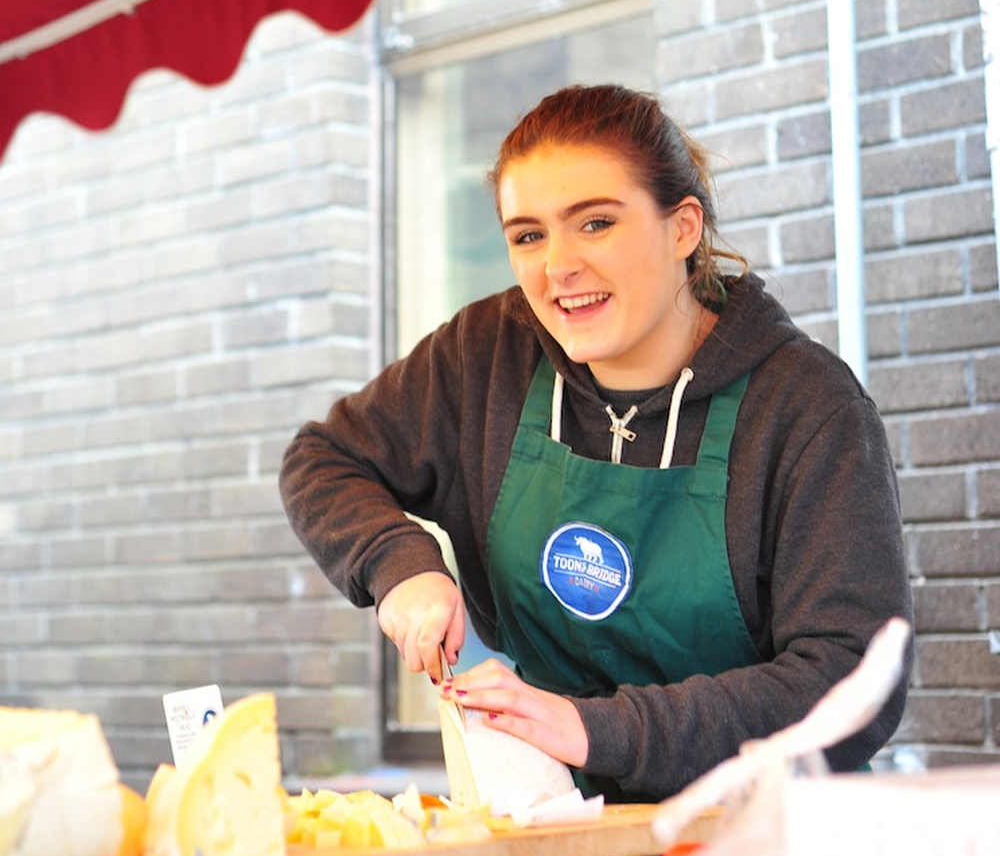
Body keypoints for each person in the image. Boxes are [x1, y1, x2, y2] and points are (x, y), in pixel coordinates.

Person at [280, 84, 912, 801]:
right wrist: (398, 564)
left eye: (596, 223)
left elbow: (853, 679)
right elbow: (323, 459)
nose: (558, 267)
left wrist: (597, 730)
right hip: (552, 820)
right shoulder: (488, 355)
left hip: (765, 841)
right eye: (528, 235)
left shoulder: (809, 409)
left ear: (683, 228)